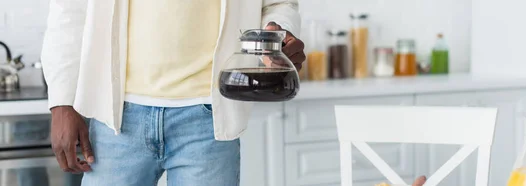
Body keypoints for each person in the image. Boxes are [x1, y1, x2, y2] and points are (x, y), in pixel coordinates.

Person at [41, 0, 428, 185]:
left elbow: (279, 3)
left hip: (207, 121)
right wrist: (62, 101)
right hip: (116, 118)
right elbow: (68, 10)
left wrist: (278, 28)